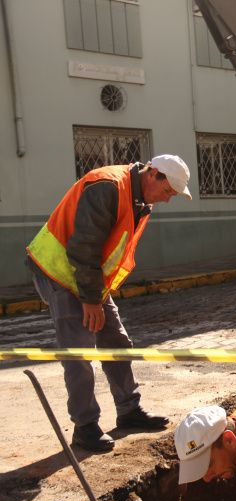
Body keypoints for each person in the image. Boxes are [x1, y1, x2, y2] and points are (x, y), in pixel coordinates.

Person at [25, 154, 192, 452]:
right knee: (78, 350)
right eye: (168, 192)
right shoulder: (108, 187)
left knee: (116, 341)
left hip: (89, 278)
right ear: (153, 174)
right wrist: (90, 301)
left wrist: (96, 297)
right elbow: (83, 247)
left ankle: (128, 409)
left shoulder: (141, 199)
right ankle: (85, 426)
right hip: (58, 272)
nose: (167, 200)